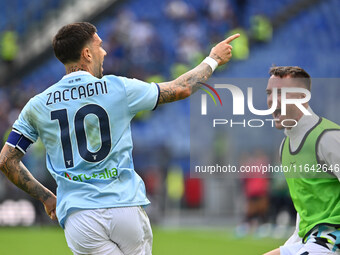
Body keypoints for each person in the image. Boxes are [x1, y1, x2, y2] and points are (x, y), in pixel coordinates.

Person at [0, 22, 239, 255]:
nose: (103, 52)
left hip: (79, 215)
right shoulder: (117, 88)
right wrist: (213, 59)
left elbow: (6, 161)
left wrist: (46, 196)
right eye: (99, 45)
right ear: (87, 54)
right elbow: (182, 88)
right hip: (125, 208)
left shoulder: (38, 105)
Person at [264, 66, 340, 255]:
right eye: (269, 93)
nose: (272, 100)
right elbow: (304, 210)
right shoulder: (285, 147)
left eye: (280, 93)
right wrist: (291, 246)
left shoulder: (328, 138)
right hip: (313, 241)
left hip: (333, 239)